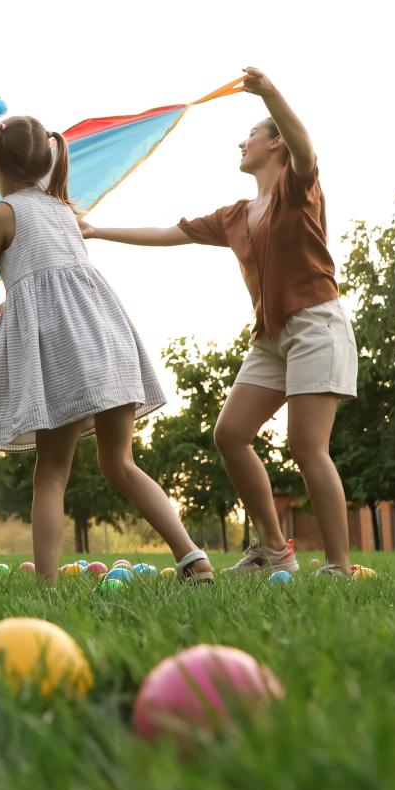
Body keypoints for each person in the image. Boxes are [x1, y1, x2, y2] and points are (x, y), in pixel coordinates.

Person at [83, 67, 357, 576]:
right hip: (271, 337)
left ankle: (339, 565)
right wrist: (97, 231)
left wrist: (270, 93)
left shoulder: (298, 188)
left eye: (250, 135)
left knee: (306, 445)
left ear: (275, 144)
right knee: (230, 434)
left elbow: (306, 149)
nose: (242, 143)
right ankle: (274, 549)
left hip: (316, 325)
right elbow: (171, 232)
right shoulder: (235, 215)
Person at [0, 115, 213, 584]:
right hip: (107, 340)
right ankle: (192, 557)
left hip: (63, 353)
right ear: (48, 159)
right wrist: (0, 312)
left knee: (51, 472)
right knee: (121, 464)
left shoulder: (4, 214)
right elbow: (54, 284)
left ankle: (47, 589)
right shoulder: (64, 212)